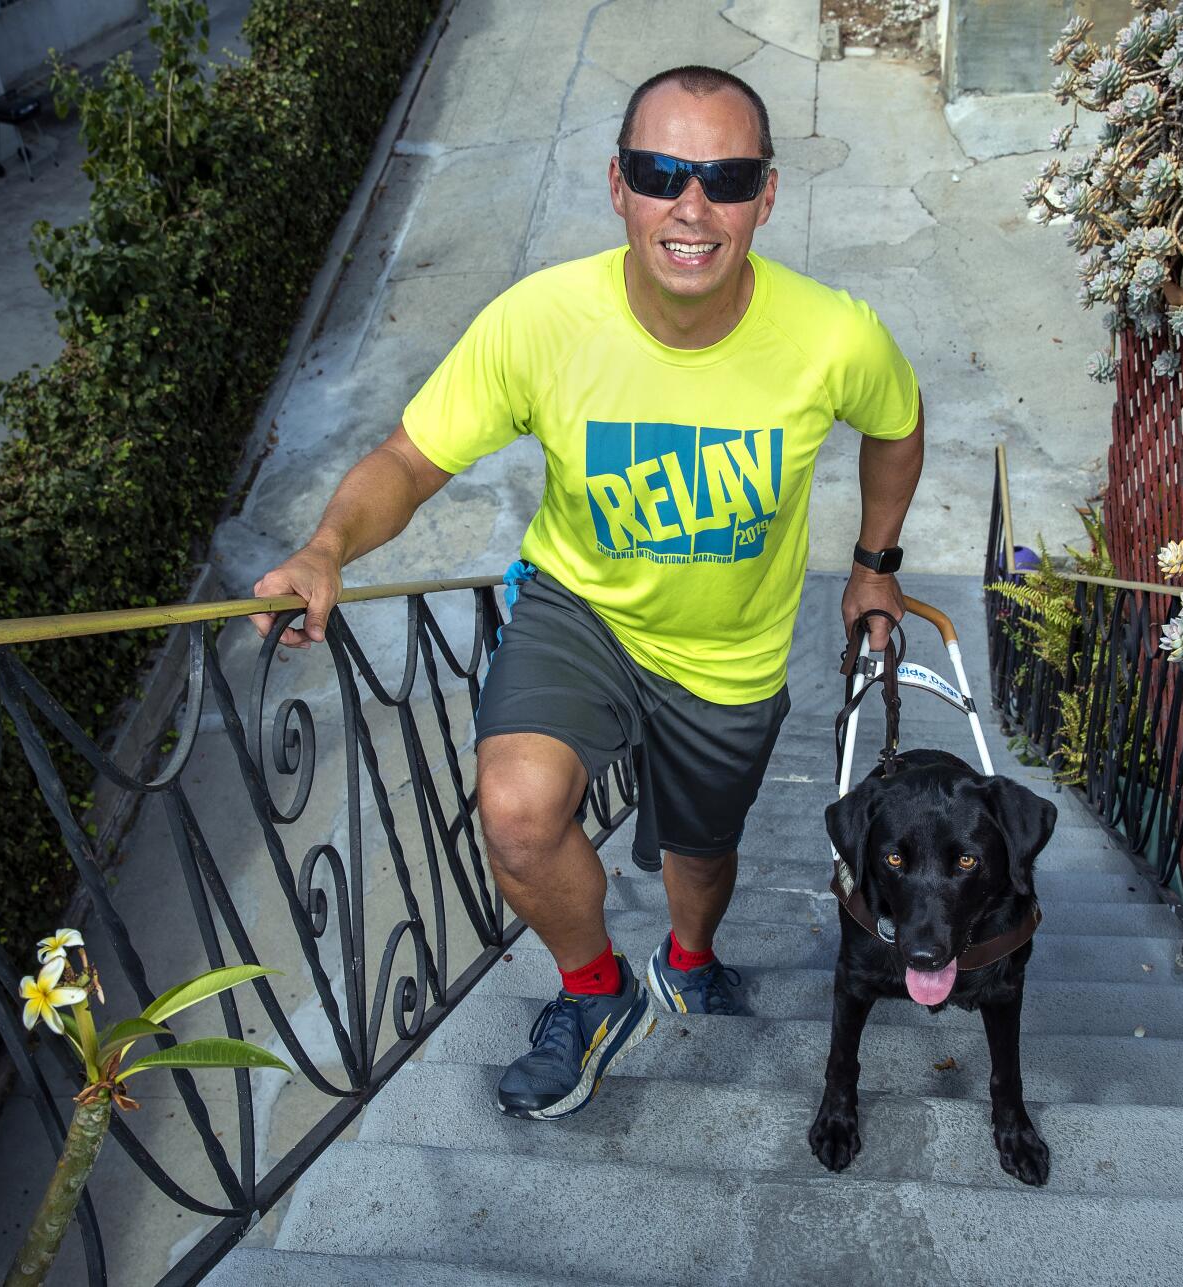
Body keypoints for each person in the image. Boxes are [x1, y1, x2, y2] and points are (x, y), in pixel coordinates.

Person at [251, 64, 924, 1120]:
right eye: (661, 173)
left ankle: (690, 961)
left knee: (701, 854)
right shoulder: (538, 321)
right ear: (617, 185)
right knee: (516, 817)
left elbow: (895, 420)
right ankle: (595, 992)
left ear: (766, 195)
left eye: (726, 177)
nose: (691, 206)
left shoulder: (832, 335)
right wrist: (327, 546)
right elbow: (410, 461)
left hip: (730, 656)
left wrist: (874, 566)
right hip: (581, 611)